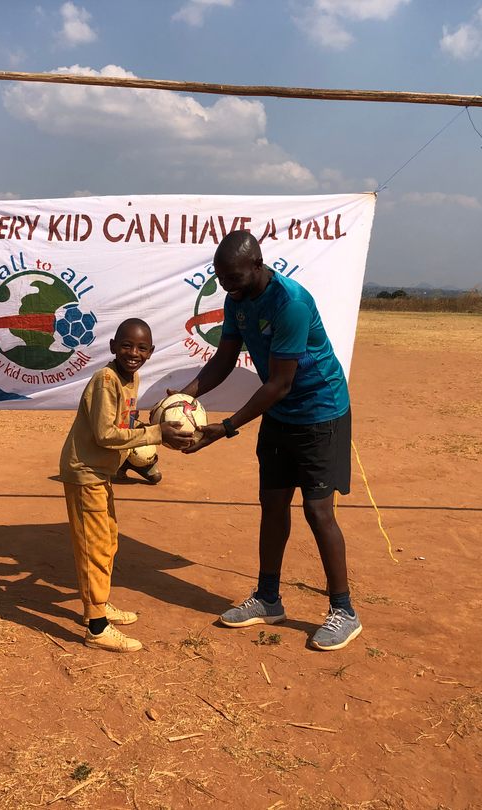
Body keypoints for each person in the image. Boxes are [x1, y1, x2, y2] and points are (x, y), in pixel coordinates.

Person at [178, 230, 361, 651]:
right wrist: (186, 398)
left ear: (258, 265)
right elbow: (224, 358)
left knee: (317, 511)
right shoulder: (236, 298)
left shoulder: (289, 304)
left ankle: (344, 610)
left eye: (234, 277)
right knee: (273, 504)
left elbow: (280, 383)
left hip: (320, 412)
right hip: (280, 415)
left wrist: (226, 427)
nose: (227, 286)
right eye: (221, 278)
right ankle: (267, 598)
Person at [59, 318, 191, 652]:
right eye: (127, 346)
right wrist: (157, 434)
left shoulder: (131, 378)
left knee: (108, 539)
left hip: (99, 473)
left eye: (141, 348)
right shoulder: (106, 381)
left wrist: (157, 421)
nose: (134, 353)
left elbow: (124, 423)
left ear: (151, 352)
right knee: (94, 547)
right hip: (85, 473)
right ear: (113, 347)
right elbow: (105, 434)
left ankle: (98, 607)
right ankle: (96, 629)